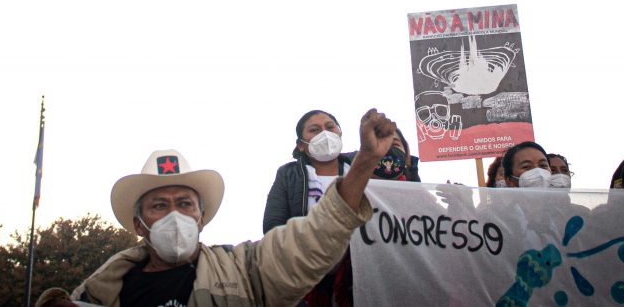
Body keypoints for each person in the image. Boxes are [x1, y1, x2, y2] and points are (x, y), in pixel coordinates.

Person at [71, 109, 397, 306]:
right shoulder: (98, 293)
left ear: (201, 218)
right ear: (139, 223)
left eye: (184, 203)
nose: (175, 214)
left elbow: (313, 238)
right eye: (159, 205)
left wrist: (366, 160)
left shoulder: (245, 270)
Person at [263, 109, 352, 233]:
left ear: (340, 133)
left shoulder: (360, 163)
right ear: (301, 145)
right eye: (314, 130)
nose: (325, 133)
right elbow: (273, 227)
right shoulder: (288, 175)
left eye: (330, 127)